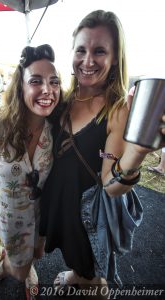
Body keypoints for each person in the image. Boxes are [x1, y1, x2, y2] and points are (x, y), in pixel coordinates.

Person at [39, 9, 165, 293]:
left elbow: (110, 185)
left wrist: (138, 153)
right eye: (81, 49)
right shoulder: (63, 98)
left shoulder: (116, 110)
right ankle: (75, 274)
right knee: (75, 260)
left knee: (95, 279)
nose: (87, 60)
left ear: (114, 58)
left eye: (99, 51)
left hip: (87, 216)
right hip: (61, 203)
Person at [0, 44, 62, 299]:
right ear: (20, 87)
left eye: (54, 81)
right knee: (19, 268)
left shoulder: (58, 131)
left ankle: (21, 265)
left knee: (36, 253)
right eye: (36, 81)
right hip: (8, 216)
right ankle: (12, 267)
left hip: (41, 215)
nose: (47, 89)